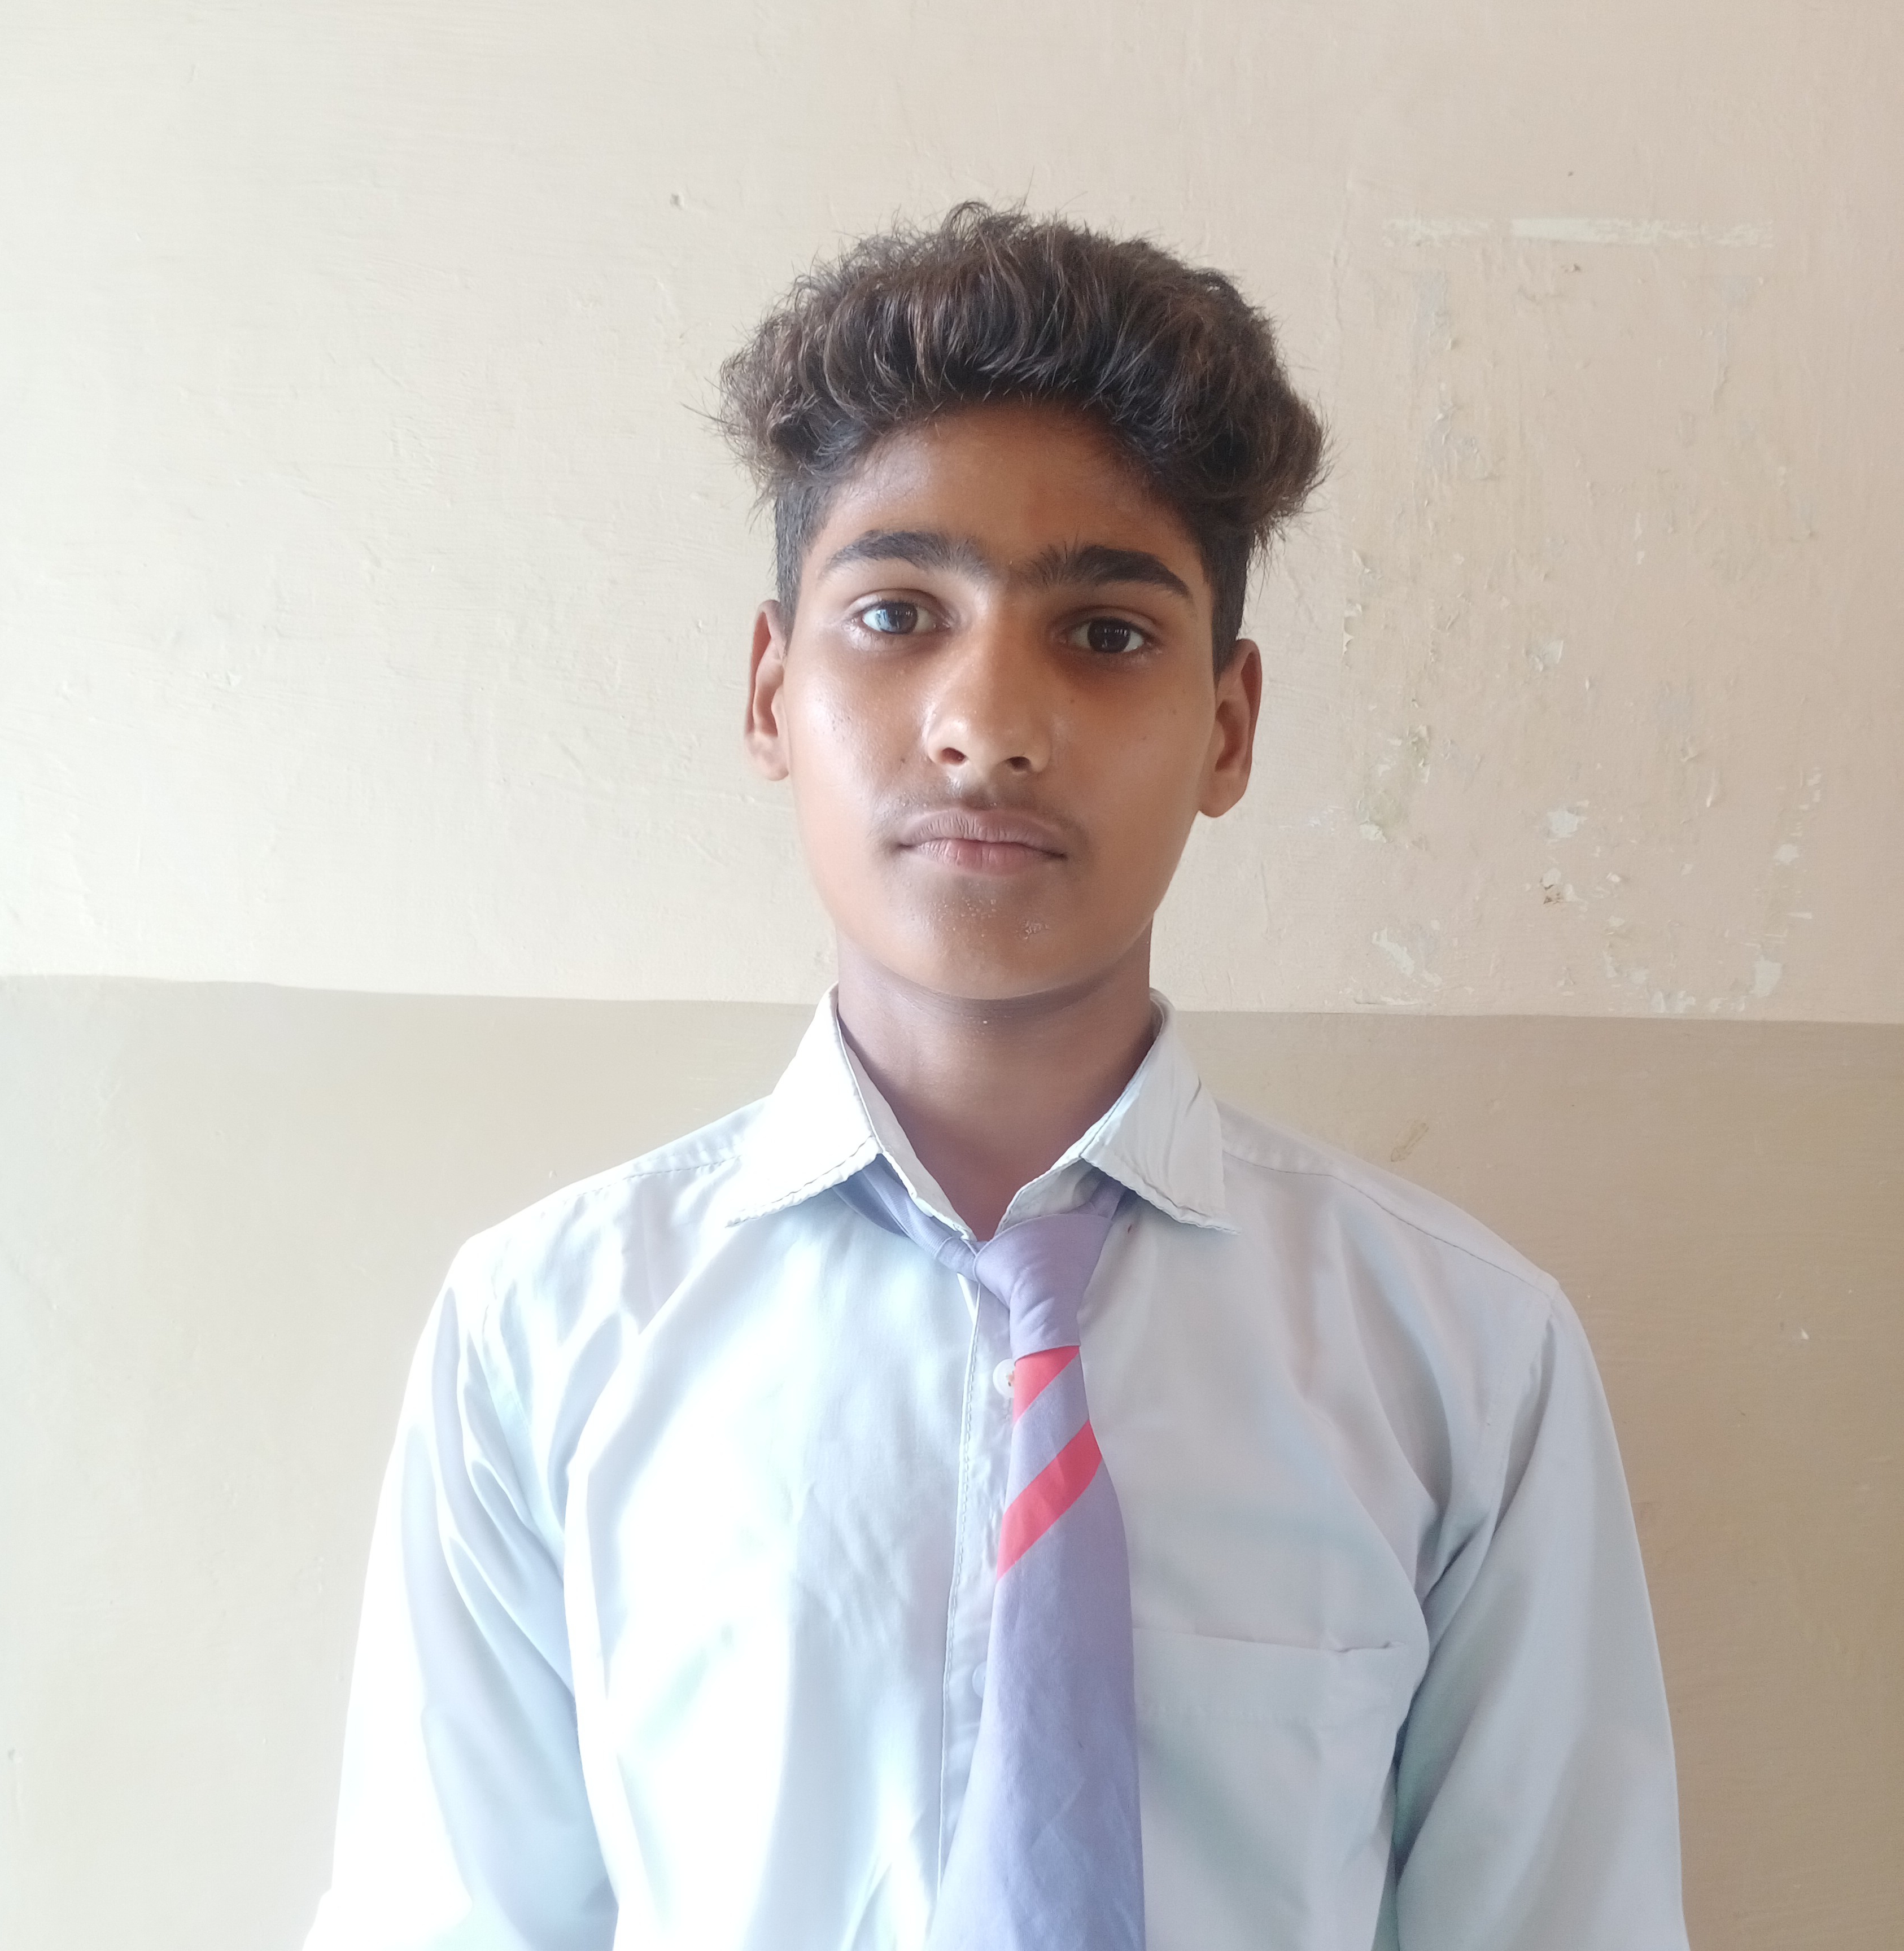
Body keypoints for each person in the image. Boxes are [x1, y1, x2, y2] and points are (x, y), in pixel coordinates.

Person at [303, 205, 1688, 1951]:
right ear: (770, 691)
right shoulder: (546, 1337)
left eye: (1105, 634)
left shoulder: (1461, 1360)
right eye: (897, 613)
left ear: (1228, 727)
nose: (988, 723)